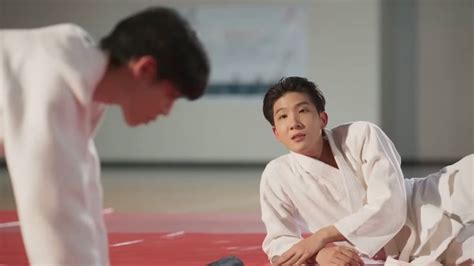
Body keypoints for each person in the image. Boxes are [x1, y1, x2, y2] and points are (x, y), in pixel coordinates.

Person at [0, 6, 209, 265]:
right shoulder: (53, 83)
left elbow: (84, 201)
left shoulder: (78, 77)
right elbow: (54, 213)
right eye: (171, 96)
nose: (167, 111)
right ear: (145, 69)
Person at [259, 76, 473, 265]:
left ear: (322, 119)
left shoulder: (361, 135)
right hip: (372, 255)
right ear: (276, 132)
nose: (294, 123)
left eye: (303, 110)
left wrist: (322, 236)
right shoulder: (277, 175)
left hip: (421, 208)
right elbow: (278, 241)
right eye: (283, 117)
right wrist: (320, 253)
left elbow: (389, 205)